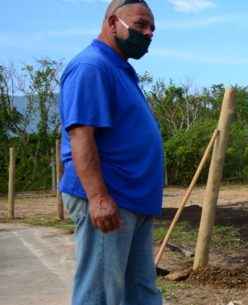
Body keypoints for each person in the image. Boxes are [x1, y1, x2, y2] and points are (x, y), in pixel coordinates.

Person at [59, 0, 163, 304]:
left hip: (134, 201)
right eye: (141, 25)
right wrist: (98, 197)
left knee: (141, 292)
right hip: (110, 200)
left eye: (152, 28)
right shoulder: (92, 67)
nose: (147, 33)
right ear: (112, 23)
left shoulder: (120, 69)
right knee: (102, 294)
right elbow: (81, 135)